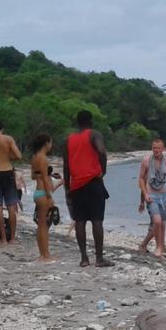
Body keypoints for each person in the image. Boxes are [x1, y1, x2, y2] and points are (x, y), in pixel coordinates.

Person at [62, 110, 112, 267]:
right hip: (93, 182)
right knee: (97, 220)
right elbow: (102, 151)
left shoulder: (68, 139)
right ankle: (99, 258)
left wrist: (68, 188)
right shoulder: (94, 134)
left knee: (80, 221)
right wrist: (102, 170)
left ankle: (84, 258)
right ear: (90, 121)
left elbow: (66, 165)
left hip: (76, 184)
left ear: (77, 122)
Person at [137, 139, 166, 259]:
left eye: (158, 148)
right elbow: (141, 179)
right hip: (151, 195)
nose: (156, 150)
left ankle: (153, 245)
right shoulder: (146, 161)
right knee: (157, 221)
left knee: (162, 223)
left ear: (163, 149)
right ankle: (158, 248)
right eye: (154, 148)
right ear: (152, 148)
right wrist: (144, 195)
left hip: (163, 196)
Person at [29, 134, 59, 262]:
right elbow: (46, 181)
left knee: (41, 225)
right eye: (50, 143)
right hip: (43, 194)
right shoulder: (43, 159)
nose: (51, 145)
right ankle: (46, 255)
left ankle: (42, 254)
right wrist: (49, 196)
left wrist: (48, 174)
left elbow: (33, 176)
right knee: (44, 226)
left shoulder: (34, 157)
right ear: (46, 143)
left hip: (37, 192)